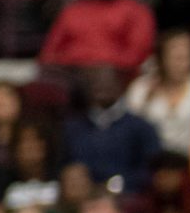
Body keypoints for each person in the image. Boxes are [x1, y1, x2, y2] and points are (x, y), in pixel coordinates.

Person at [38, 0, 155, 73]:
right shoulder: (72, 10)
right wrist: (75, 63)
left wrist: (99, 63)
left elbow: (136, 55)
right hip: (71, 73)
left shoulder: (137, 11)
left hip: (116, 73)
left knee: (101, 76)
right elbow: (49, 53)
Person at [63, 65, 163, 194]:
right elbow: (66, 167)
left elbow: (151, 170)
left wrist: (118, 185)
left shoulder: (141, 128)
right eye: (95, 81)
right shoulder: (72, 129)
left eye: (106, 80)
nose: (100, 85)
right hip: (83, 200)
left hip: (131, 199)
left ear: (120, 85)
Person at [124, 27, 190, 158]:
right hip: (151, 162)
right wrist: (147, 100)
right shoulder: (141, 88)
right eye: (176, 57)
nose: (181, 64)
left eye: (185, 57)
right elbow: (129, 130)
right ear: (161, 58)